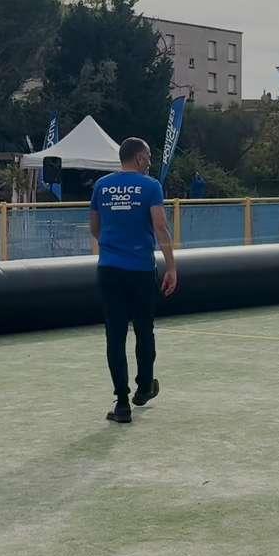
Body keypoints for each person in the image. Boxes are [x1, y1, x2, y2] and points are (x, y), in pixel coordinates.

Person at [89, 136, 178, 424]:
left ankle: (122, 403)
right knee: (144, 329)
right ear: (139, 158)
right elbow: (161, 227)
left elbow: (94, 227)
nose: (150, 162)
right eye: (149, 157)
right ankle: (145, 386)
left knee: (115, 335)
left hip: (110, 270)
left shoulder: (101, 186)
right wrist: (172, 267)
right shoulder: (151, 187)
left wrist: (114, 246)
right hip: (140, 270)